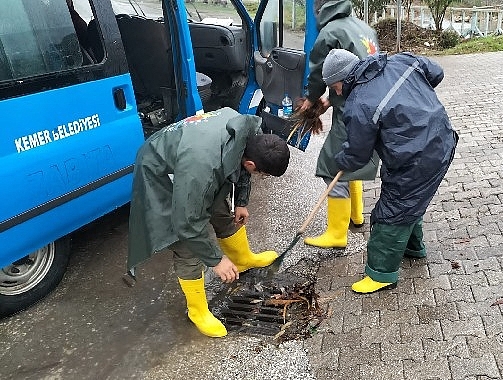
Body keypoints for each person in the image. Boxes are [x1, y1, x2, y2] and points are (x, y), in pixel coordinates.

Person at [127, 107, 290, 337]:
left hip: (194, 158)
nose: (259, 177)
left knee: (222, 210)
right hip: (160, 171)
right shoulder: (202, 167)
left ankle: (242, 260)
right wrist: (216, 260)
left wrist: (241, 201)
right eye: (263, 174)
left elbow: (242, 166)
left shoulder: (251, 132)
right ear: (253, 165)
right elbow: (187, 222)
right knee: (186, 244)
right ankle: (197, 311)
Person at [322, 49, 458, 294]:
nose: (337, 93)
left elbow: (357, 154)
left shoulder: (359, 103)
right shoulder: (402, 61)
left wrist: (341, 161)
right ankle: (413, 249)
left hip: (416, 158)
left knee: (391, 211)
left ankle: (381, 274)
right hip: (443, 139)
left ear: (343, 78)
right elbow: (436, 72)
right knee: (410, 200)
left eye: (335, 87)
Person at [299, 0, 380, 249]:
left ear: (320, 10)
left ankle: (336, 234)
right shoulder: (365, 28)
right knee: (352, 157)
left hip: (351, 111)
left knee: (333, 164)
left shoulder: (330, 33)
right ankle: (356, 216)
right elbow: (355, 72)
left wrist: (312, 99)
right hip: (371, 103)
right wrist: (331, 99)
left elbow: (318, 73)